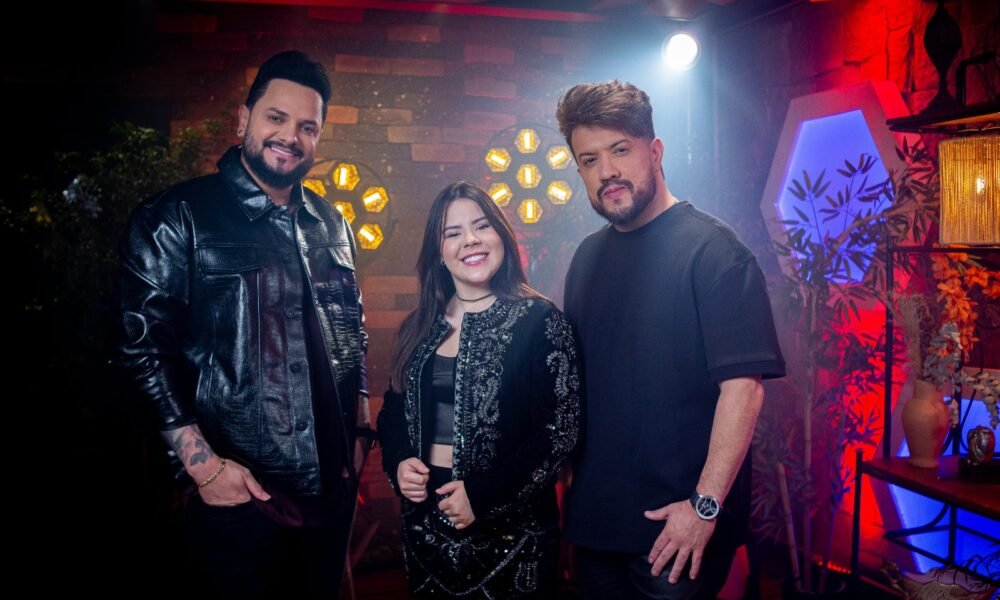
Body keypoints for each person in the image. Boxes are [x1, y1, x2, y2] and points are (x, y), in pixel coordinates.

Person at [118, 50, 371, 598]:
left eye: (307, 127)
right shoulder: (176, 216)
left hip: (330, 490)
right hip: (236, 496)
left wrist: (361, 430)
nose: (290, 137)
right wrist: (204, 469)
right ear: (243, 119)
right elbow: (141, 353)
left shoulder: (333, 223)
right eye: (276, 118)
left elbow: (353, 327)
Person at [557, 80, 785, 599]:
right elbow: (584, 388)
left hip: (677, 532)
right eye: (589, 160)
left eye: (620, 150)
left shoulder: (716, 252)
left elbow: (743, 391)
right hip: (596, 528)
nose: (607, 171)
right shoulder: (586, 258)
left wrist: (704, 508)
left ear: (655, 152)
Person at [377, 181, 583, 598]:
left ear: (501, 236)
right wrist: (398, 463)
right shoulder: (418, 327)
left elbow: (559, 434)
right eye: (453, 233)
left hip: (515, 536)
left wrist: (481, 496)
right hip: (426, 528)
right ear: (439, 252)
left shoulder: (540, 321)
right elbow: (393, 413)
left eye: (482, 226)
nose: (470, 240)